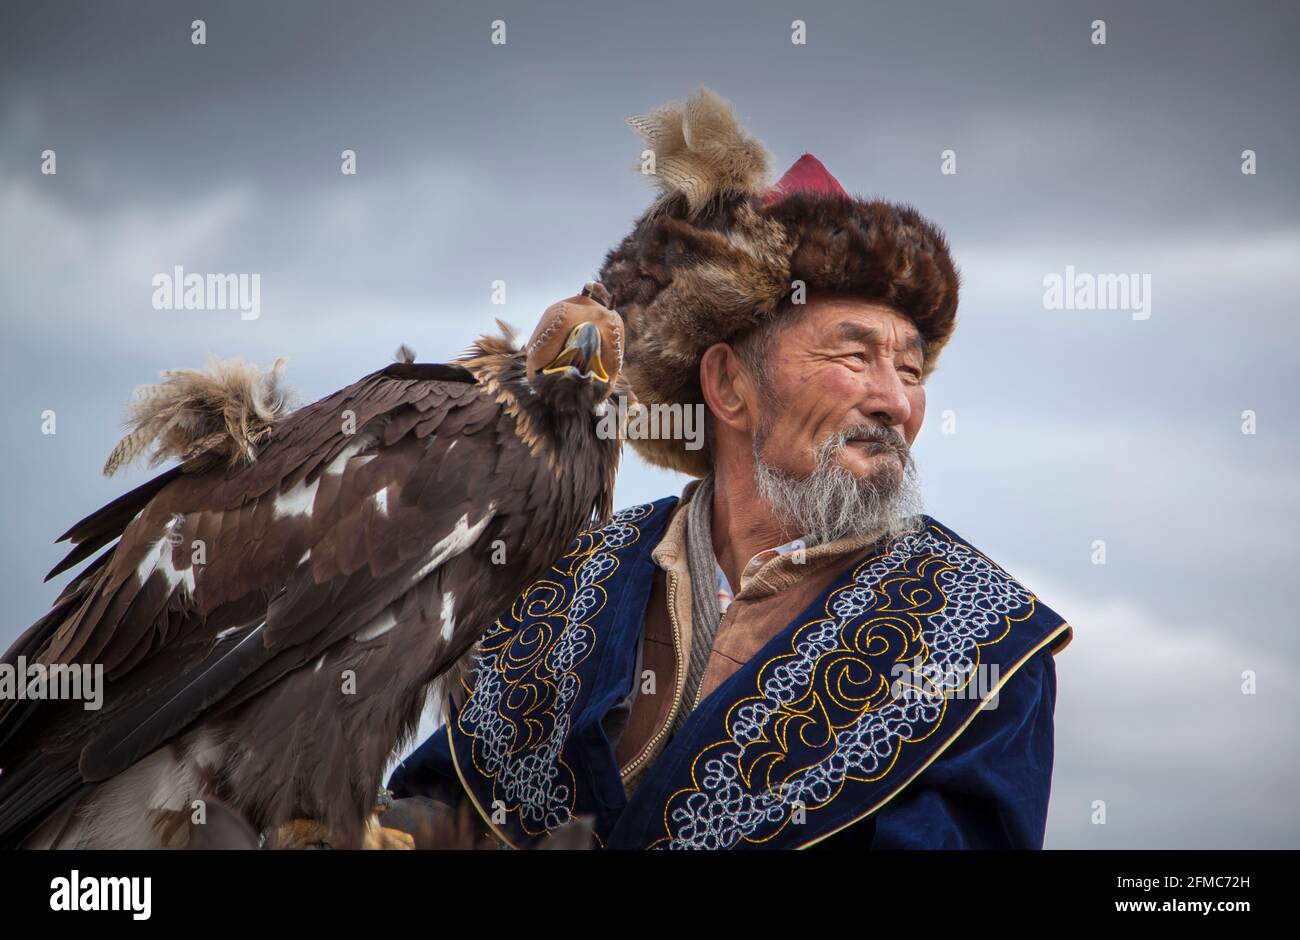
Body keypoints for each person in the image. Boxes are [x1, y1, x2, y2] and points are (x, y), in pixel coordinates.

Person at [386, 87, 1072, 850]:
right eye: (854, 356)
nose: (894, 402)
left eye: (911, 371)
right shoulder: (565, 579)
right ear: (728, 386)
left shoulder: (982, 639)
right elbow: (444, 809)